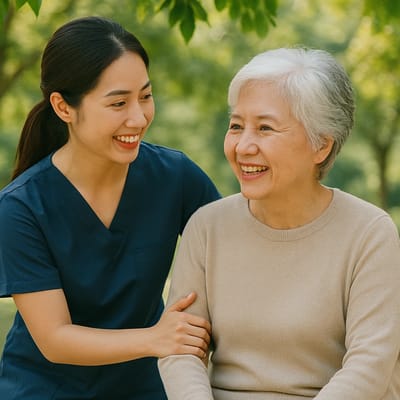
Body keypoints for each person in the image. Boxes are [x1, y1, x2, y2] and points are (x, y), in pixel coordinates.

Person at [158, 47, 400, 399]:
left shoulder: (369, 232)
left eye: (265, 128)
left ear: (321, 145)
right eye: (236, 126)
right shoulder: (207, 227)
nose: (243, 146)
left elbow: (370, 365)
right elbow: (181, 351)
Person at [0, 16, 220, 399]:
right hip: (44, 390)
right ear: (63, 107)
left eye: (146, 96)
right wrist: (155, 338)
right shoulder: (20, 208)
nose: (138, 117)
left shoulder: (175, 176)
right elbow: (55, 338)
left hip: (146, 388)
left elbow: (237, 246)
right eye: (118, 102)